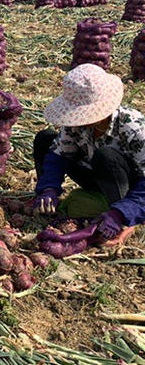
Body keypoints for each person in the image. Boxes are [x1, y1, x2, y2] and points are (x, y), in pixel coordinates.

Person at [33, 64, 145, 241]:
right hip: (94, 174)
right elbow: (59, 154)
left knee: (105, 155)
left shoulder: (133, 127)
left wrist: (122, 212)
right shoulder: (75, 125)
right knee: (45, 139)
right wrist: (49, 187)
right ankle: (45, 202)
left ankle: (123, 218)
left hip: (125, 185)